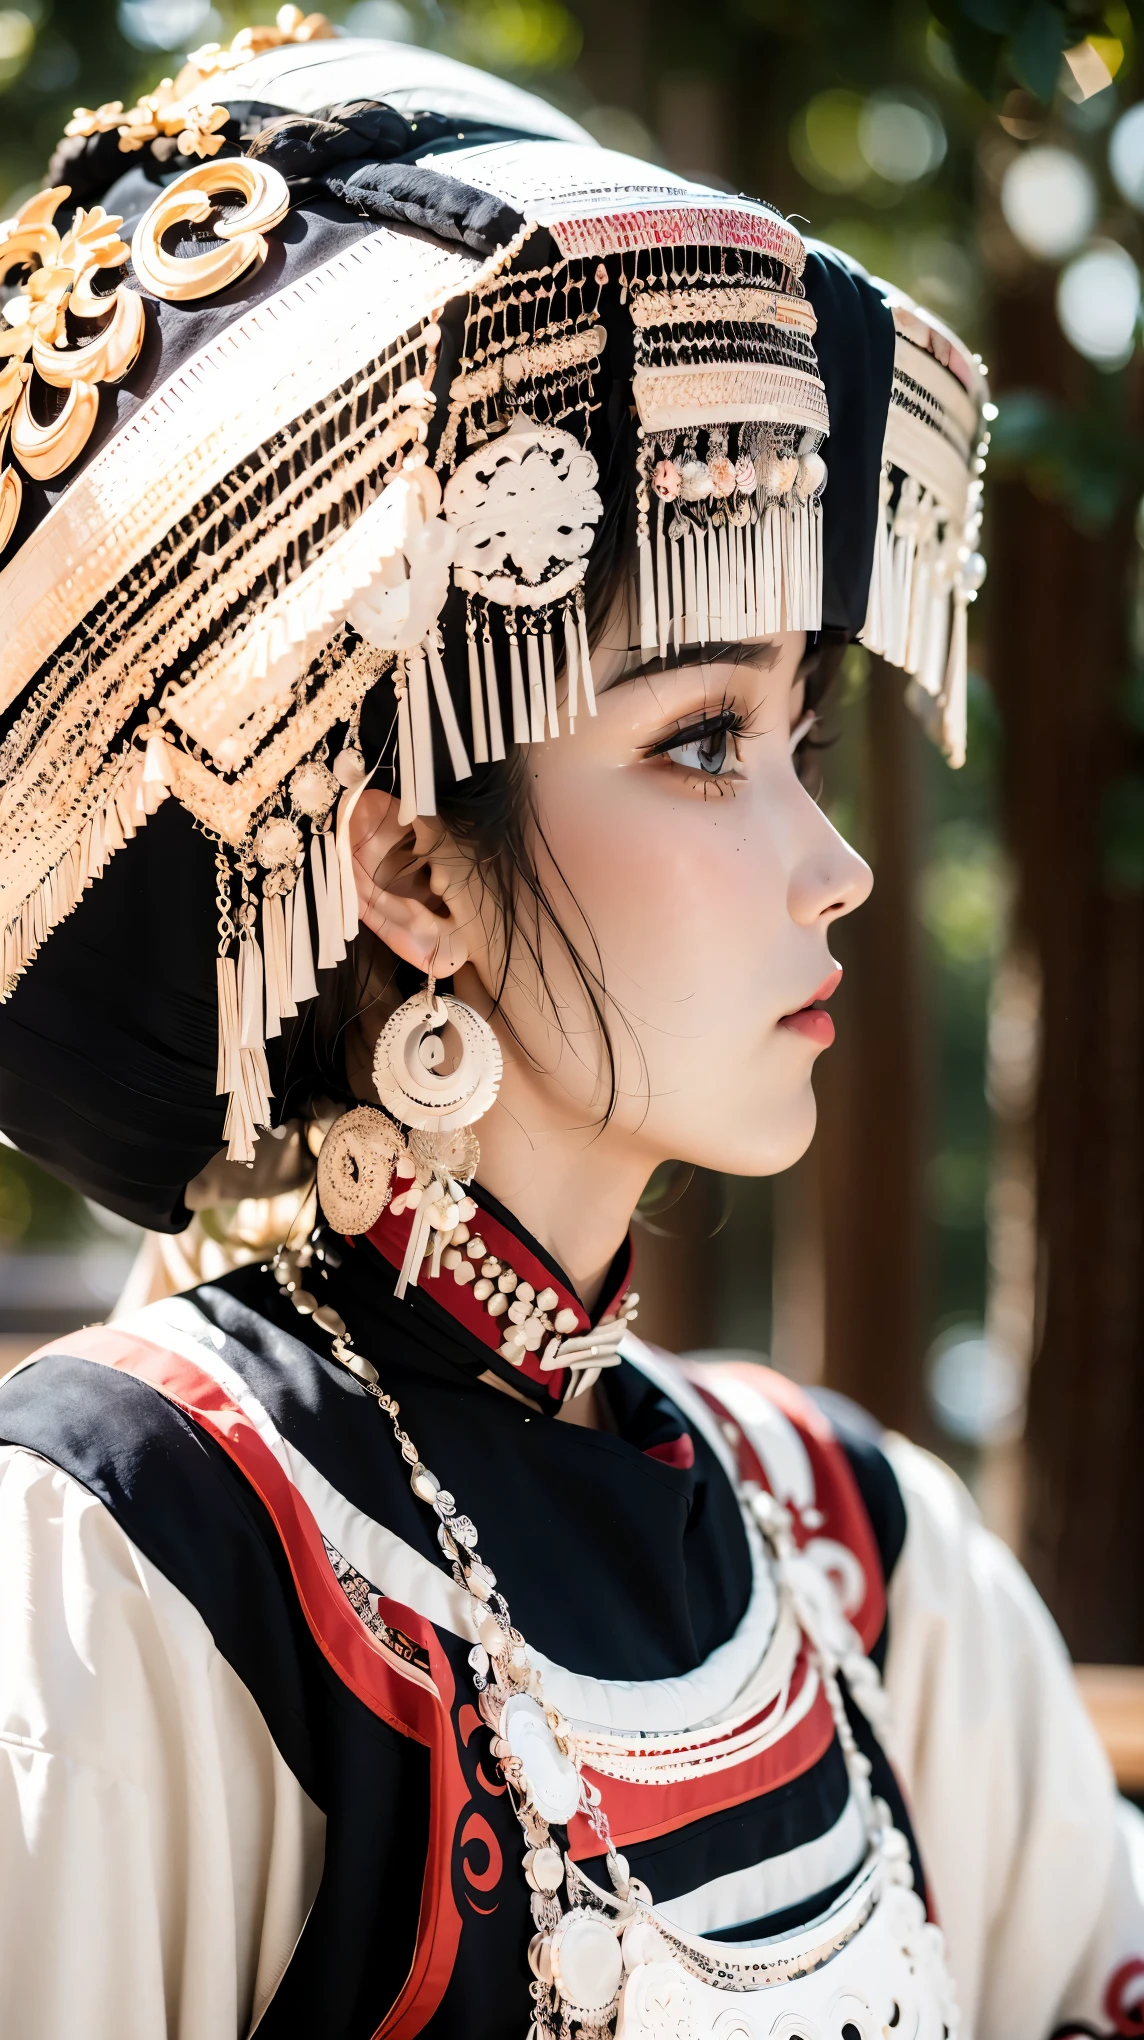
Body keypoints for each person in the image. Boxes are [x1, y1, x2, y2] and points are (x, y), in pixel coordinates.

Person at [0, 20, 1138, 2038]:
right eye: (701, 741)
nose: (836, 864)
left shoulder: (860, 1551)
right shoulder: (127, 1557)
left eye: (799, 733)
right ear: (411, 875)